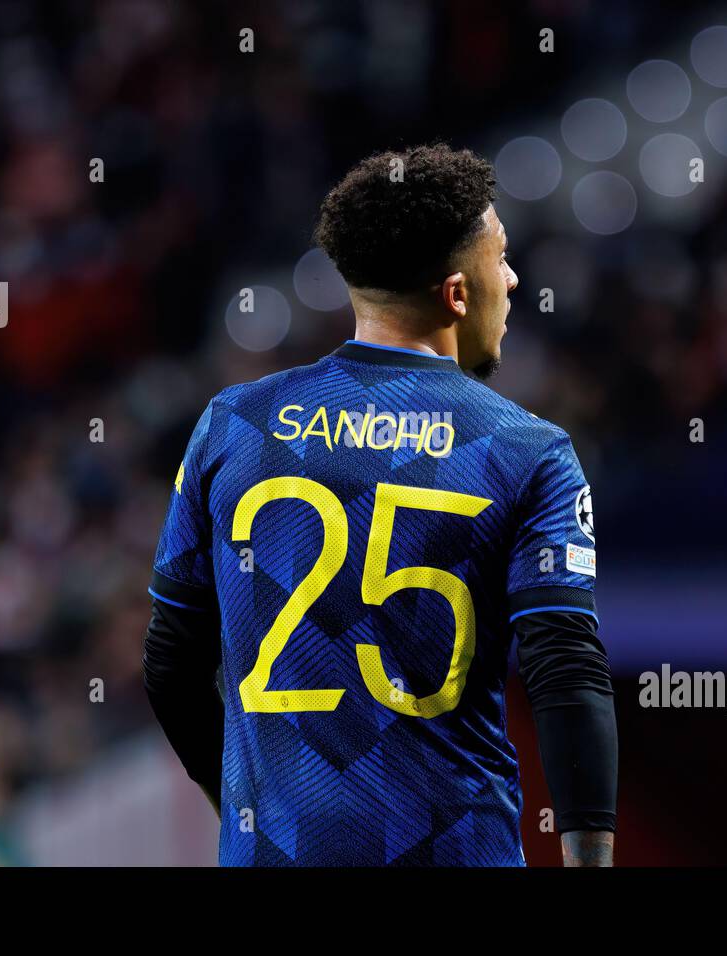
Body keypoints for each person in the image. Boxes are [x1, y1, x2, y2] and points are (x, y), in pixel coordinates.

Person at [143, 143, 617, 866]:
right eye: (503, 258)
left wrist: (241, 810)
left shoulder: (232, 425)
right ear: (458, 293)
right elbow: (565, 671)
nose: (514, 280)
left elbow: (172, 665)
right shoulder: (527, 450)